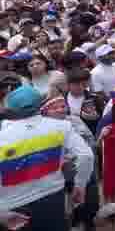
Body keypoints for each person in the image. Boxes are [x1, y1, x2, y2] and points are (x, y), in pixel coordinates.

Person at [0, 85, 94, 230]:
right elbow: (86, 156)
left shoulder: (3, 135)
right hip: (53, 198)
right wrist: (80, 185)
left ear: (11, 108)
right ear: (39, 104)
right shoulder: (62, 126)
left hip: (12, 206)